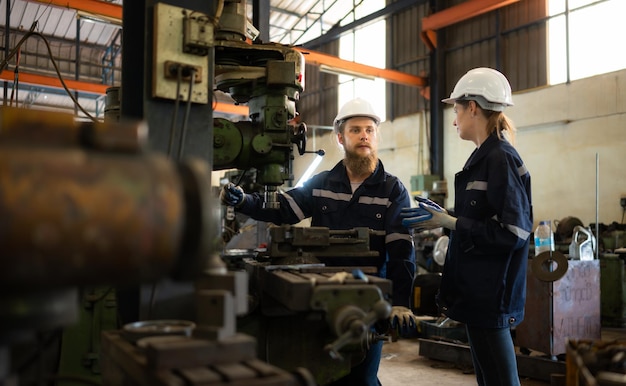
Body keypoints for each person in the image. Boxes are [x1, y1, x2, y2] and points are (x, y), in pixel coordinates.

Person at [220, 97, 416, 386]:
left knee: (362, 377)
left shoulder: (393, 190)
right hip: (322, 294)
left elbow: (402, 250)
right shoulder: (323, 183)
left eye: (370, 130)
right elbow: (285, 208)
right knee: (323, 374)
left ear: (377, 137)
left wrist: (401, 303)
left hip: (369, 299)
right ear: (340, 137)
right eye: (355, 130)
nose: (364, 135)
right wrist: (245, 200)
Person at [401, 67, 533, 386]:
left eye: (457, 109)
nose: (455, 118)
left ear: (472, 106)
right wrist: (445, 215)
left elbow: (514, 231)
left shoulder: (499, 158)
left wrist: (450, 221)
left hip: (491, 295)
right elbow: (482, 218)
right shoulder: (482, 158)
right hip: (478, 293)